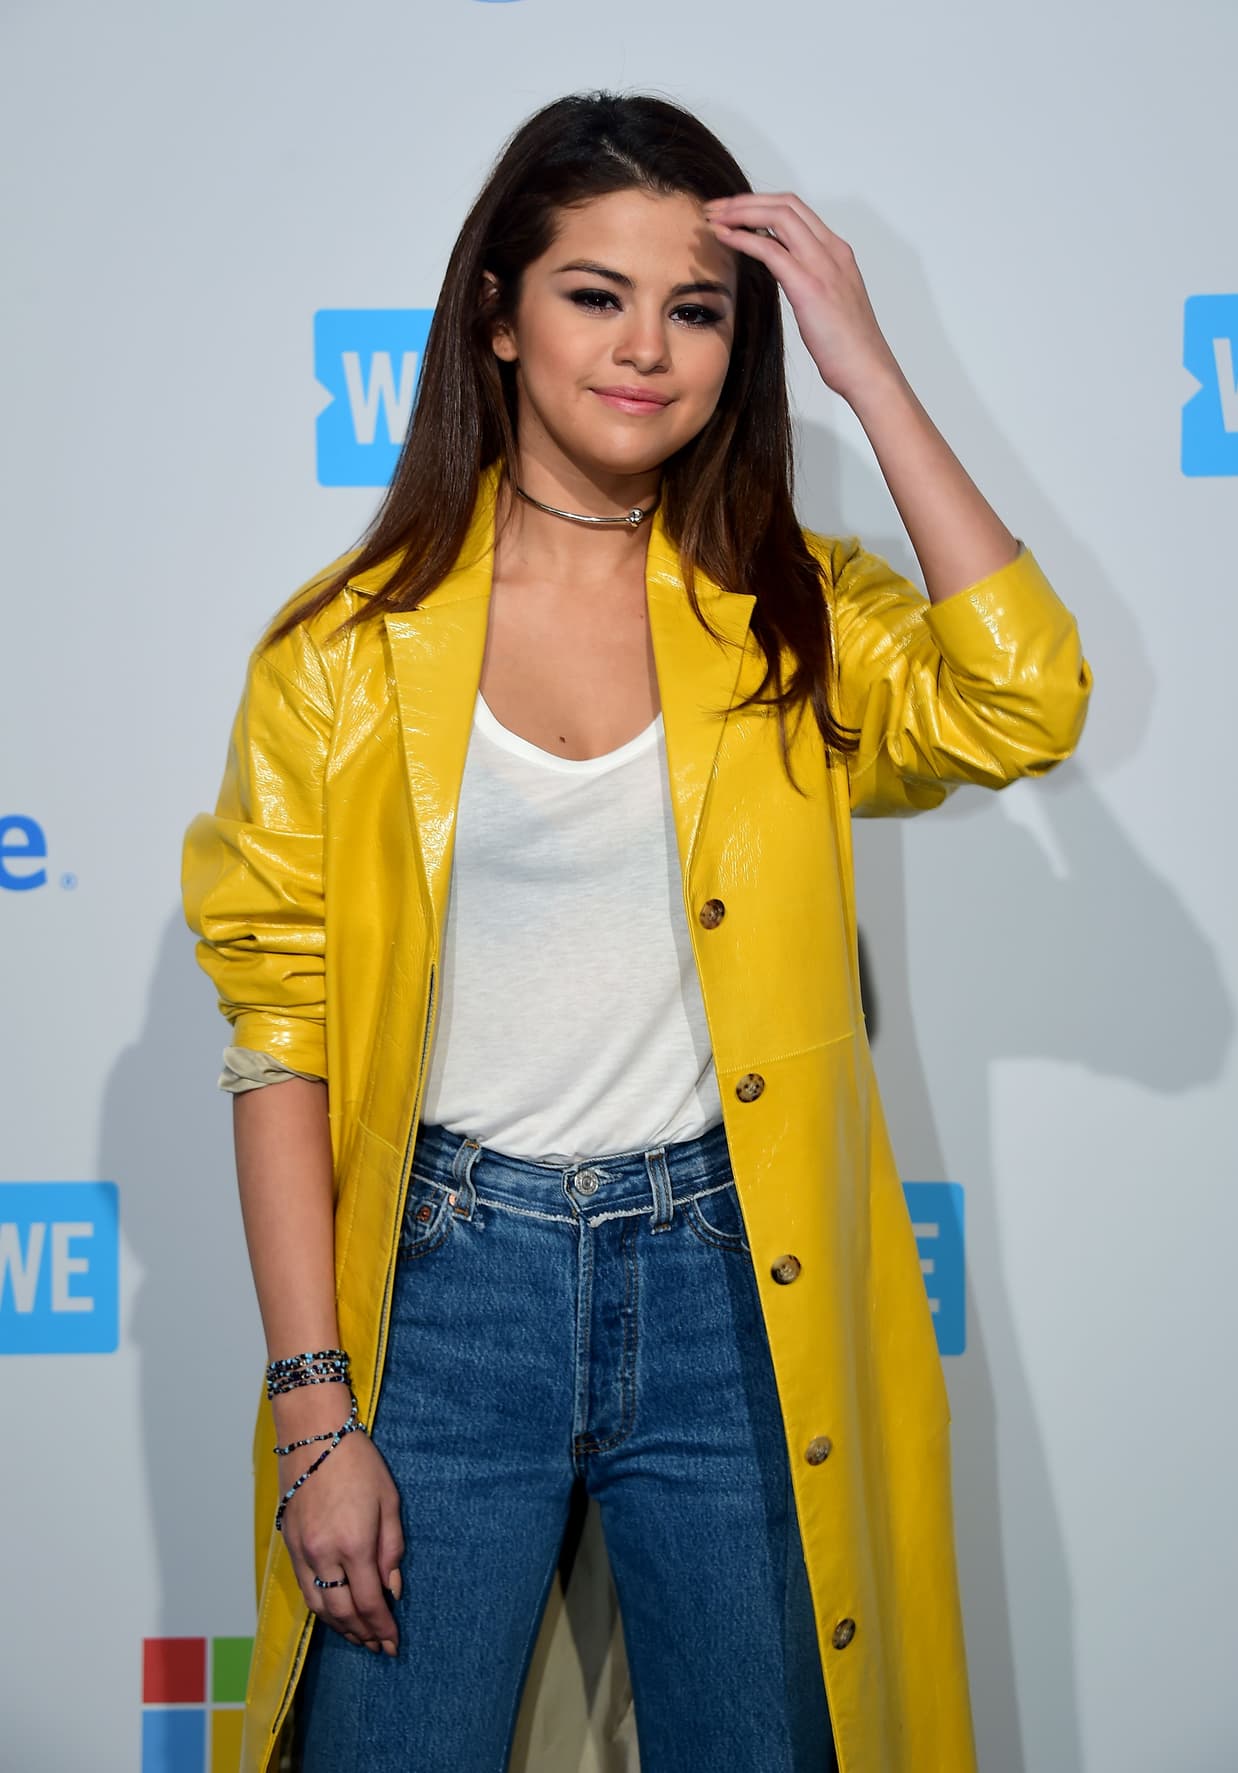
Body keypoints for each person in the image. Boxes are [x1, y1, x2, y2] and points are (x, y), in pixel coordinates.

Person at [181, 90, 1091, 1773]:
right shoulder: (336, 658)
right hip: (446, 1305)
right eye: (595, 294)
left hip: (733, 1290)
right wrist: (318, 1410)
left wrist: (869, 370)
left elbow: (1023, 701)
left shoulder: (794, 617)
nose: (648, 350)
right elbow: (278, 1034)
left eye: (698, 308)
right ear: (498, 317)